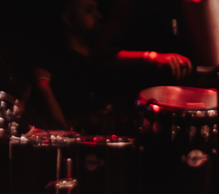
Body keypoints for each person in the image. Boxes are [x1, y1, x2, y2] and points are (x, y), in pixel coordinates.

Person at [26, 0, 191, 133]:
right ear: (68, 18)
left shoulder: (101, 65)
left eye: (97, 9)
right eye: (89, 10)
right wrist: (81, 121)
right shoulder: (53, 66)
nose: (99, 15)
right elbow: (54, 128)